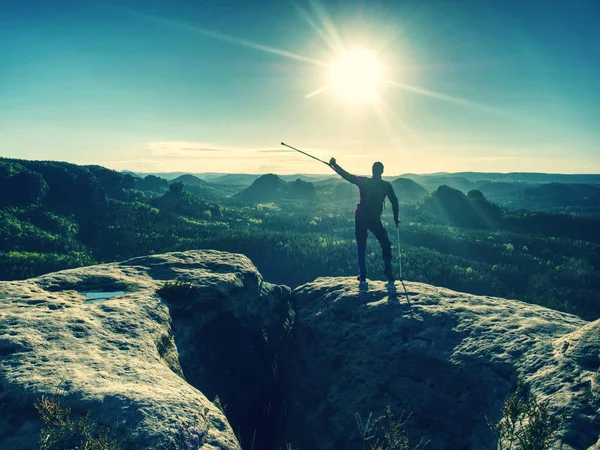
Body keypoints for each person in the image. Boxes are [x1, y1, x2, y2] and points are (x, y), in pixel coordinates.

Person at [329, 158, 399, 282]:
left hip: (361, 217)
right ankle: (388, 269)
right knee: (385, 243)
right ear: (382, 171)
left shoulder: (364, 182)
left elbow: (347, 176)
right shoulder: (385, 186)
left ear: (372, 170)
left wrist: (335, 165)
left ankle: (362, 274)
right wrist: (395, 217)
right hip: (374, 219)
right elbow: (394, 201)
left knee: (361, 245)